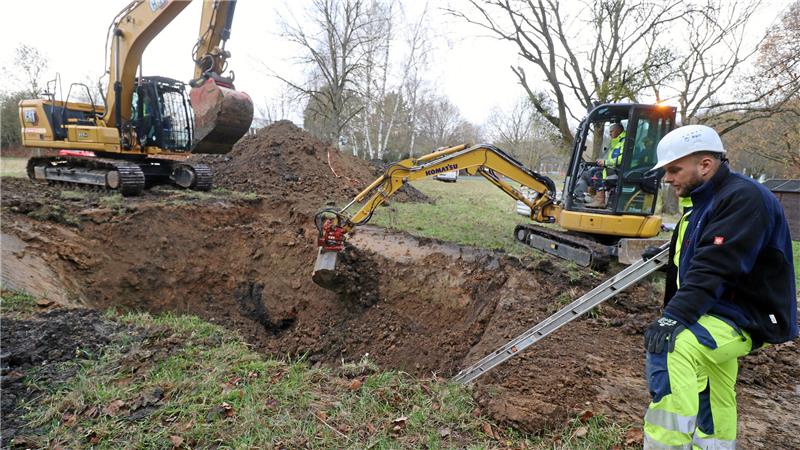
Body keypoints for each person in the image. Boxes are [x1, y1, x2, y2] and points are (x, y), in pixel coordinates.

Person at [641, 124, 797, 449]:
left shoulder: (743, 198)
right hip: (717, 311)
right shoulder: (705, 202)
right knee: (714, 389)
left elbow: (717, 264)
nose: (667, 178)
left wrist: (674, 317)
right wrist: (669, 255)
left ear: (705, 165)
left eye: (674, 169)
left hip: (742, 315)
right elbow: (702, 250)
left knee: (673, 346)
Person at [586, 122, 626, 208]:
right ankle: (594, 197)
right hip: (614, 168)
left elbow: (623, 159)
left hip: (621, 171)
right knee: (592, 170)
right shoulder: (616, 142)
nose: (610, 134)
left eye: (611, 131)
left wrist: (605, 162)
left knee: (598, 175)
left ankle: (600, 200)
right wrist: (602, 161)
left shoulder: (624, 141)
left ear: (618, 131)